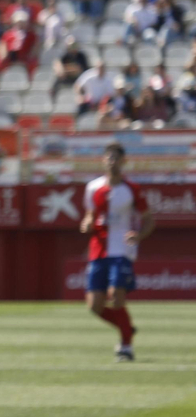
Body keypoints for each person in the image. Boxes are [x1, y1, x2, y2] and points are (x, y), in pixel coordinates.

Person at [80, 143, 155, 361]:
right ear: (103, 161)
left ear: (123, 162)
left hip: (122, 249)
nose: (112, 162)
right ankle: (126, 328)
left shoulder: (132, 189)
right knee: (94, 306)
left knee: (116, 297)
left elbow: (149, 219)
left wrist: (139, 236)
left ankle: (126, 346)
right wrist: (86, 224)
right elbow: (90, 215)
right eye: (109, 158)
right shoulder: (93, 188)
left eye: (116, 158)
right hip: (98, 249)